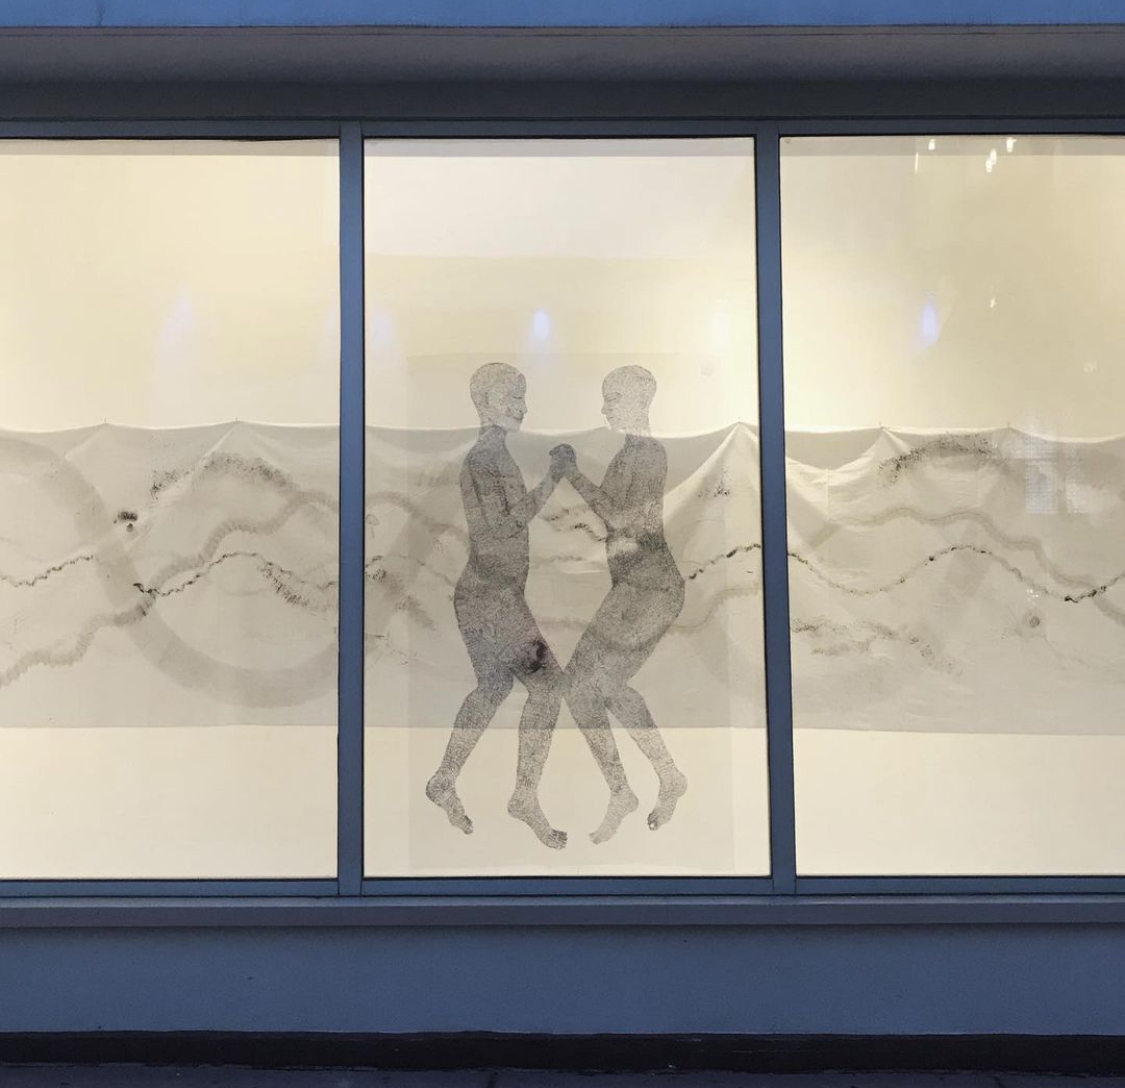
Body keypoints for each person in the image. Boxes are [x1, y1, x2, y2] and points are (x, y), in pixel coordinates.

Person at [426, 362, 568, 849]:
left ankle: (444, 779)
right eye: (513, 397)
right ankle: (524, 796)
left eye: (523, 396)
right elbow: (504, 525)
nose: (523, 407)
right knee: (549, 687)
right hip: (492, 597)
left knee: (493, 687)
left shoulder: (493, 454)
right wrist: (553, 479)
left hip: (483, 595)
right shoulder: (485, 457)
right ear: (487, 402)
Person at [550, 366, 688, 844]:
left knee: (598, 684)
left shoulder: (648, 453)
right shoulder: (628, 453)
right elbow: (609, 510)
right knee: (580, 689)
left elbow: (623, 520)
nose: (605, 408)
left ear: (638, 401)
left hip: (652, 588)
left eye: (613, 399)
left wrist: (571, 474)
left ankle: (662, 778)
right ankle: (628, 788)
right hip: (630, 587)